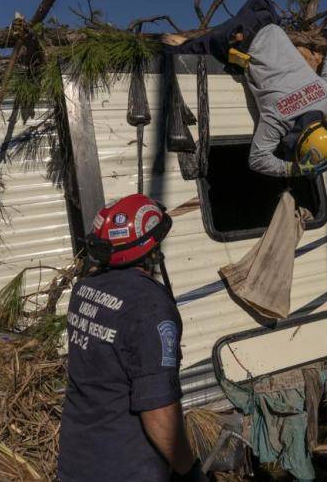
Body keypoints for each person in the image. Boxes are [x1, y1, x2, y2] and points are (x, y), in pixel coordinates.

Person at [57, 194, 206, 482]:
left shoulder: (84, 290)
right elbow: (157, 411)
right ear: (152, 250)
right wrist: (189, 471)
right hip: (127, 468)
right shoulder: (149, 309)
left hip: (78, 462)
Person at [173, 0, 327, 178]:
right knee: (184, 52)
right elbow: (257, 160)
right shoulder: (277, 119)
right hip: (238, 37)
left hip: (266, 16)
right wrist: (293, 169)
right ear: (300, 141)